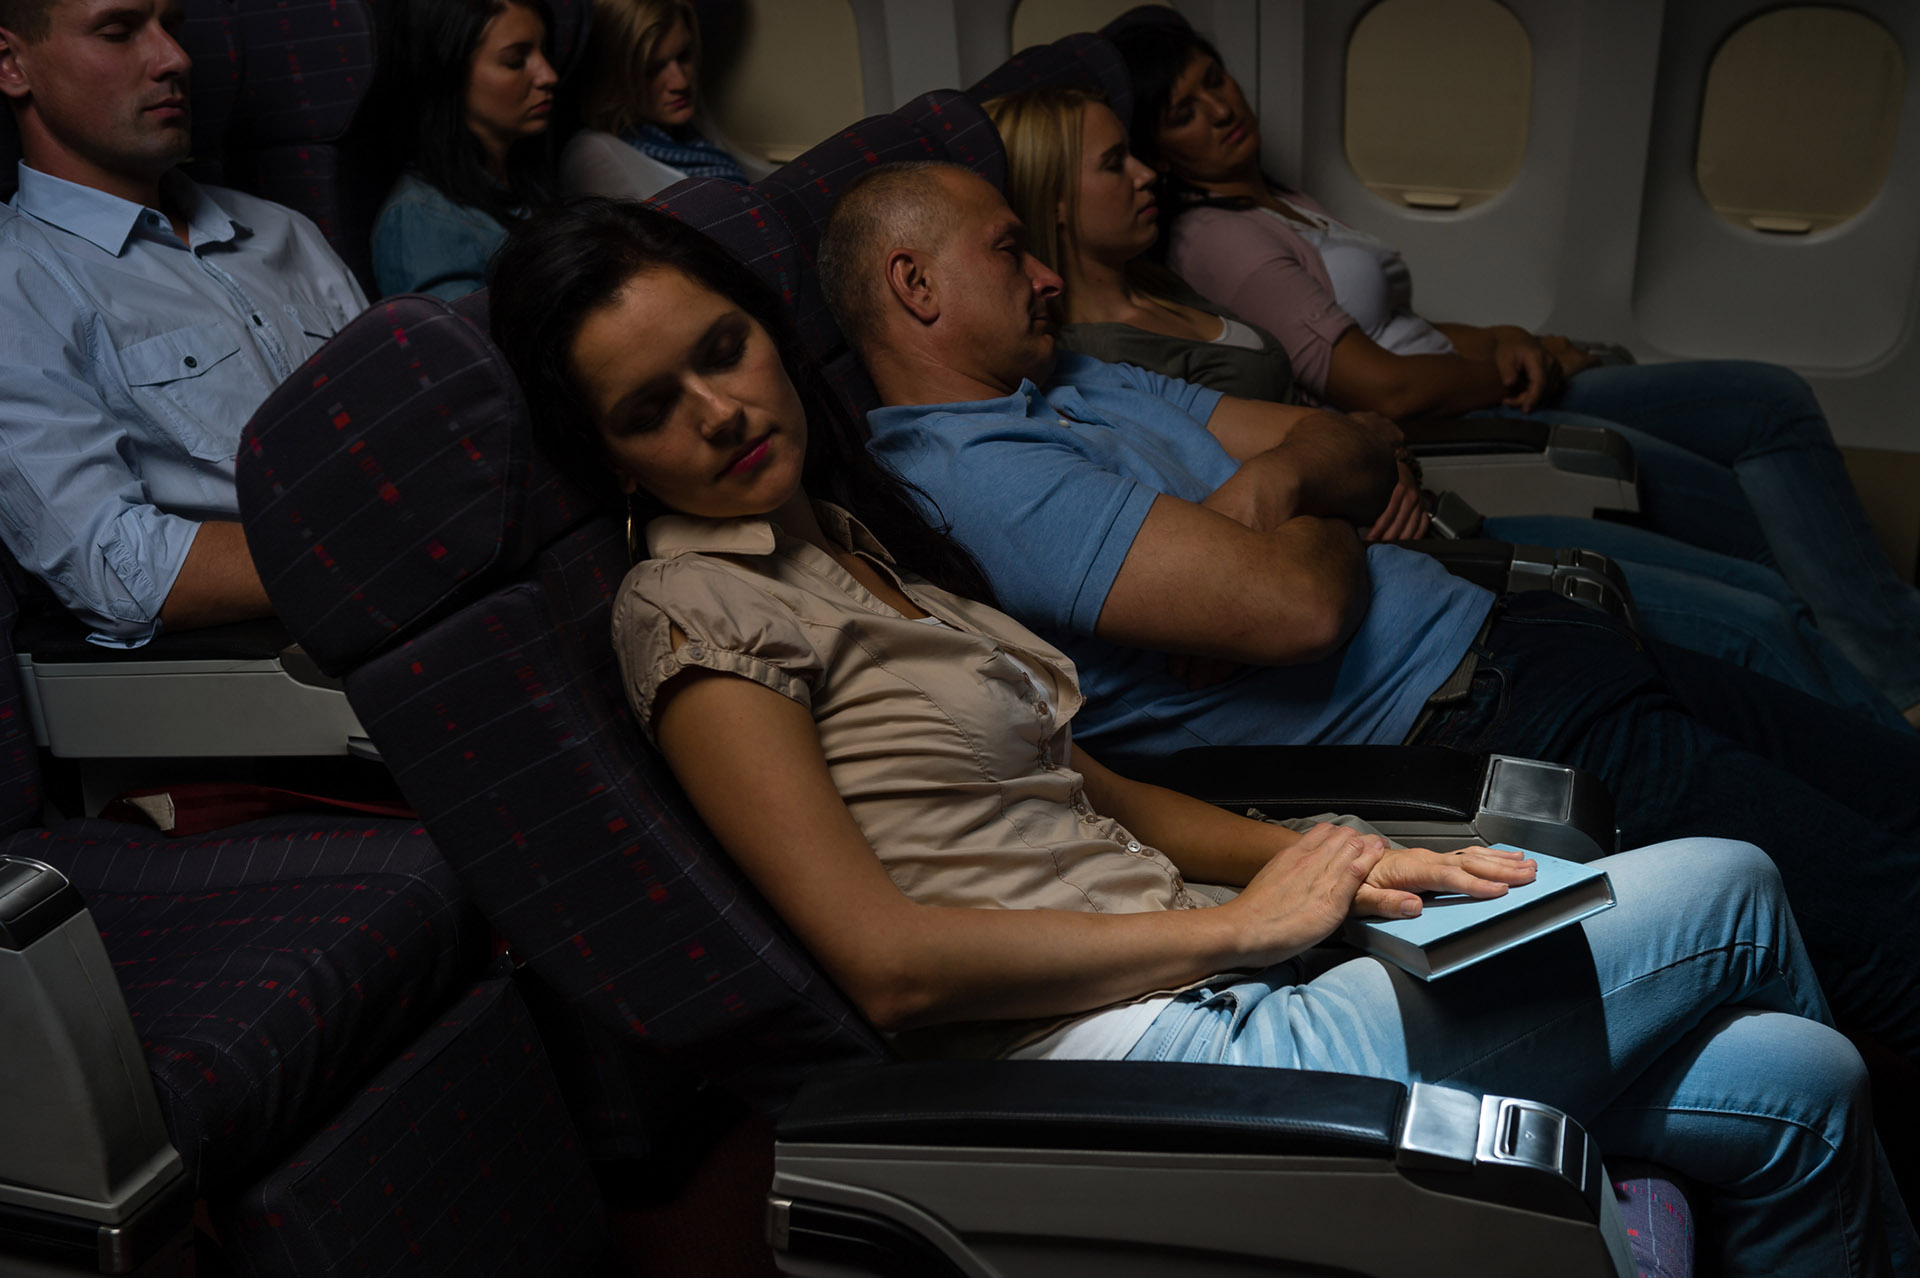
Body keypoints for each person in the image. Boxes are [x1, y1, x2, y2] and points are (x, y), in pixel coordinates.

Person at [485, 197, 1916, 1277]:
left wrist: (1337, 864)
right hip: (1133, 1042)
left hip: (1210, 958)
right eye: (651, 409)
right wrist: (1240, 934)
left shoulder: (852, 539)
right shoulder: (691, 610)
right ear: (610, 453)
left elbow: (1098, 787)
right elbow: (891, 966)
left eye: (722, 350)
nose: (719, 411)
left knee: (1810, 1087)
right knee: (1728, 879)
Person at [815, 158, 1920, 1067]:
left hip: (1532, 646)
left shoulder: (1077, 382)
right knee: (1889, 918)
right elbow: (1299, 608)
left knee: (1895, 784)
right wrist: (1315, 504)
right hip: (1469, 728)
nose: (1049, 275)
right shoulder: (973, 475)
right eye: (1011, 248)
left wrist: (1279, 489)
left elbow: (1358, 438)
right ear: (915, 284)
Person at [982, 82, 1907, 729]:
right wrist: (1347, 456)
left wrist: (1361, 444)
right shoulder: (1097, 366)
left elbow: (1339, 417)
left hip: (1398, 490)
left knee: (1762, 593)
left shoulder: (1166, 288)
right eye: (1118, 163)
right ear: (1058, 204)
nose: (1148, 173)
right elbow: (1286, 474)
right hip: (1400, 549)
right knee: (1753, 621)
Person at [0, 0, 366, 644]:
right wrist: (385, 553)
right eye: (118, 32)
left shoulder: (285, 233)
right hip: (267, 653)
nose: (176, 59)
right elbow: (116, 569)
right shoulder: (17, 285)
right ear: (12, 65)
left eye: (175, 26)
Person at [372, 0, 557, 300]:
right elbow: (457, 346)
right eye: (515, 61)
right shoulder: (421, 220)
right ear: (448, 74)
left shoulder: (524, 180)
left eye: (544, 52)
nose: (549, 76)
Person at [560, 0, 771, 204]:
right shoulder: (591, 153)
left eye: (684, 56)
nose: (680, 82)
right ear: (615, 77)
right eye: (652, 70)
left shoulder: (691, 126)